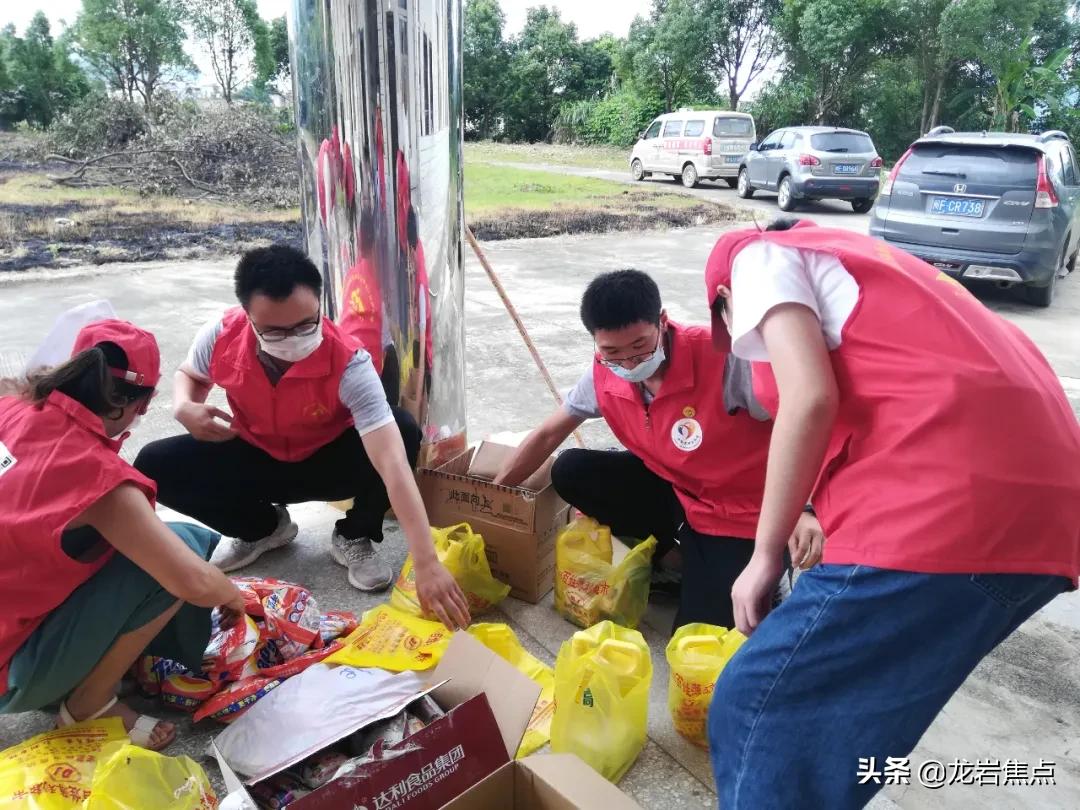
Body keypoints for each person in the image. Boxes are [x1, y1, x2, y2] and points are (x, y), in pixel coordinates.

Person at [703, 218, 1080, 808]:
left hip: (947, 504)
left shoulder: (758, 255)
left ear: (726, 298)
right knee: (845, 730)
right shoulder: (873, 265)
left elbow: (809, 397)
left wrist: (763, 555)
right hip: (1046, 518)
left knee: (756, 702)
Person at [134, 245, 470, 630]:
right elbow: (190, 375)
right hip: (256, 455)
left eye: (306, 324)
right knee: (154, 465)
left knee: (402, 430)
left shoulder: (349, 361)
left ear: (319, 306)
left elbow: (392, 463)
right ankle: (262, 529)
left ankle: (355, 535)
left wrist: (427, 562)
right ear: (248, 316)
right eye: (275, 331)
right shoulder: (221, 335)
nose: (293, 339)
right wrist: (184, 406)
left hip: (327, 462)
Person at [494, 269, 824, 632]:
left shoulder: (724, 358)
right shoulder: (604, 372)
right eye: (612, 351)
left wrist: (805, 507)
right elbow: (547, 435)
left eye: (640, 346)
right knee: (571, 470)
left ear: (662, 322)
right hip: (676, 487)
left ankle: (763, 576)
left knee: (701, 633)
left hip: (741, 508)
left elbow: (806, 420)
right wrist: (493, 495)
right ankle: (672, 559)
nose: (629, 363)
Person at [0, 320, 246, 750]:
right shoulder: (98, 478)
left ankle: (79, 670)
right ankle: (88, 703)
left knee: (139, 546)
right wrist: (231, 595)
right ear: (140, 405)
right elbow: (191, 580)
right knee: (179, 551)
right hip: (12, 671)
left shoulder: (12, 406)